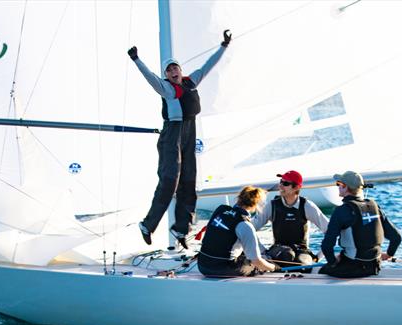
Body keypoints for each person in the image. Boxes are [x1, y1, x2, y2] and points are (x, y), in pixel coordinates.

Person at [127, 29, 232, 249]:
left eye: (175, 67)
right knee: (169, 181)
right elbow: (149, 77)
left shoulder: (191, 81)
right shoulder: (165, 87)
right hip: (171, 136)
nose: (173, 71)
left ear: (180, 70)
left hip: (189, 133)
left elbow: (208, 65)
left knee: (189, 181)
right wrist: (136, 59)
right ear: (166, 75)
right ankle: (148, 225)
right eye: (169, 69)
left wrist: (224, 45)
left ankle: (181, 228)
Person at [319, 171, 401, 278]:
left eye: (339, 184)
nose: (338, 187)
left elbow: (326, 246)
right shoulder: (375, 207)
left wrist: (333, 261)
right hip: (374, 267)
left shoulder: (342, 210)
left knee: (322, 272)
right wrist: (389, 254)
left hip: (353, 267)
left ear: (345, 187)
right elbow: (396, 238)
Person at [252, 170, 329, 267]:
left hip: (302, 252)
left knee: (303, 264)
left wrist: (318, 257)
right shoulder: (272, 205)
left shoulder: (307, 206)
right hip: (278, 251)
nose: (280, 186)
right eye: (281, 181)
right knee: (287, 255)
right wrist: (263, 251)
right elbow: (250, 229)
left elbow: (330, 230)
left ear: (296, 187)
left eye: (285, 183)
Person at [198, 186, 278, 278]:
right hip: (222, 269)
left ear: (239, 198)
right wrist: (274, 268)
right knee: (255, 266)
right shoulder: (245, 224)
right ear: (256, 205)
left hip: (202, 265)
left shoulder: (220, 209)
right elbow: (256, 261)